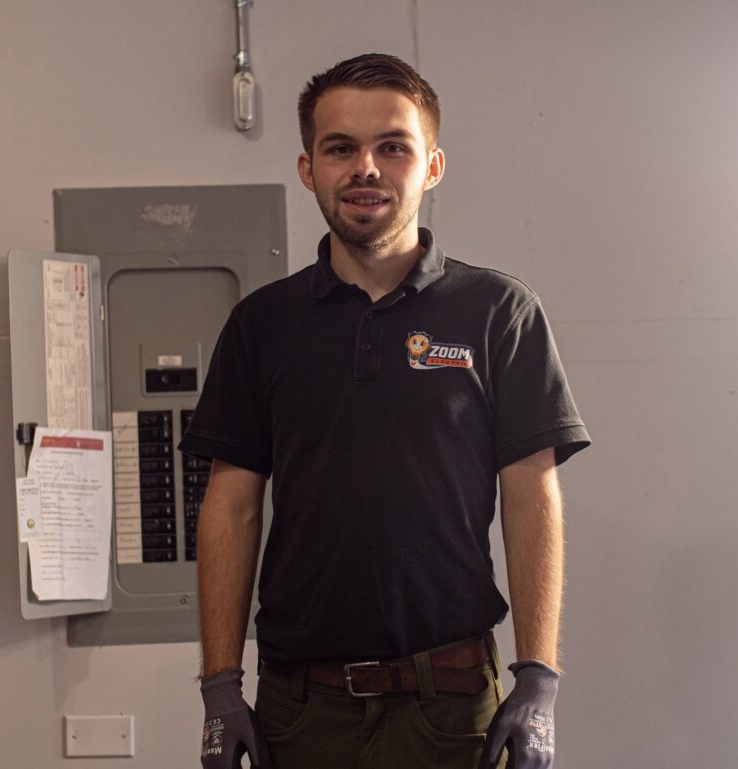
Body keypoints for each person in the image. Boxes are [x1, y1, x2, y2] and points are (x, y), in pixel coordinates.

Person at [179, 52, 590, 769]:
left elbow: (532, 496)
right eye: (340, 148)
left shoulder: (499, 313)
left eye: (393, 147)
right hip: (300, 711)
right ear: (308, 169)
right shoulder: (261, 325)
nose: (365, 168)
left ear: (432, 167)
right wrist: (219, 689)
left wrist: (539, 682)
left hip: (454, 706)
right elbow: (232, 506)